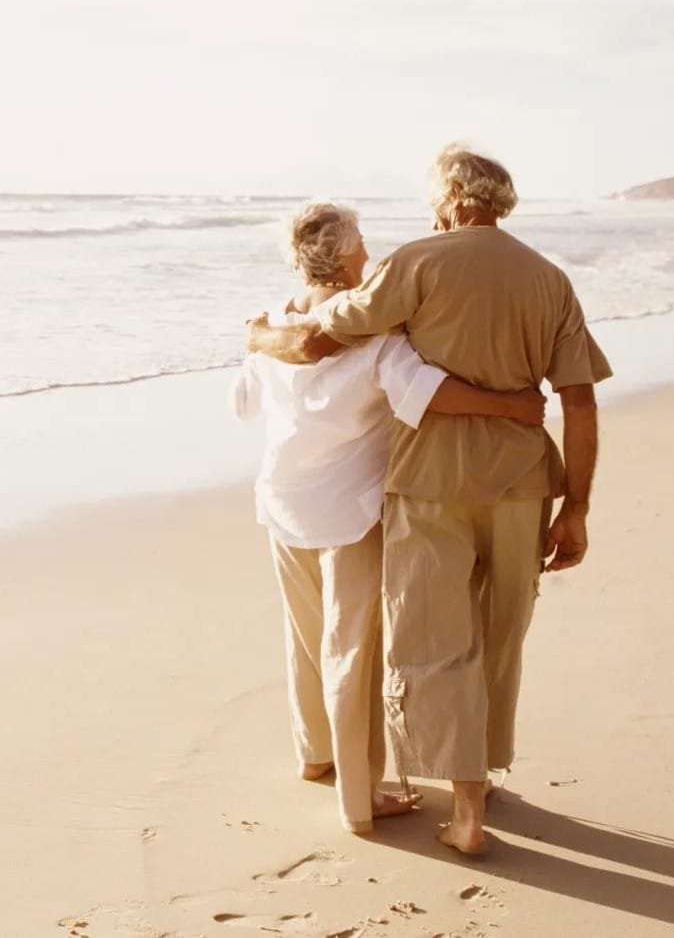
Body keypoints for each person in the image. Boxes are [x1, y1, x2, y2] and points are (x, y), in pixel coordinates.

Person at [246, 146, 612, 856]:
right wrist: (576, 508)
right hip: (522, 486)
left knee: (436, 640)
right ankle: (484, 767)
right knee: (499, 634)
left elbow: (319, 337)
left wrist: (257, 332)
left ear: (450, 195)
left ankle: (466, 806)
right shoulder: (548, 279)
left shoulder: (412, 264)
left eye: (429, 193)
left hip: (428, 485)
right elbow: (579, 400)